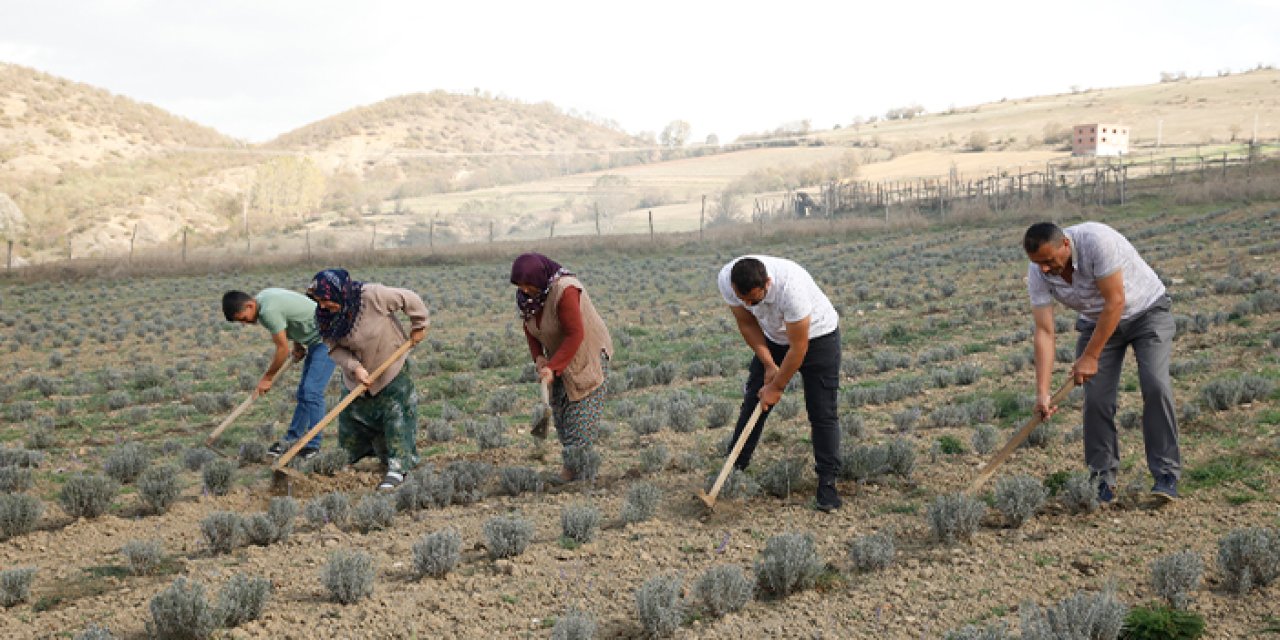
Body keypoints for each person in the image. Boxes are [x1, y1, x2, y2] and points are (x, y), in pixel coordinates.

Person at [1023, 221, 1182, 503]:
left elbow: (1115, 301)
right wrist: (1043, 393)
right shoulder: (1038, 272)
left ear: (1066, 245)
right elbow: (1045, 332)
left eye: (1049, 261)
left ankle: (1166, 475)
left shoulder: (1097, 242)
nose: (1044, 269)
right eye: (1038, 263)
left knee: (1155, 386)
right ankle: (1101, 481)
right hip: (1097, 322)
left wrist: (1091, 356)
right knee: (1096, 399)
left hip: (1146, 313)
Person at [718, 255, 842, 512]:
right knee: (754, 402)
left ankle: (827, 484)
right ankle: (733, 470)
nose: (749, 305)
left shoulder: (790, 289)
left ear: (768, 283)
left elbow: (799, 347)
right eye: (743, 300)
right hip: (774, 339)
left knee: (822, 412)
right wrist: (768, 364)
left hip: (817, 338)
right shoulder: (727, 279)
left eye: (755, 301)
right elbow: (747, 323)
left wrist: (776, 387)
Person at [306, 269, 428, 490]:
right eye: (318, 301)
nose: (322, 306)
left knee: (396, 414)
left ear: (339, 292)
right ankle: (348, 458)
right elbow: (333, 348)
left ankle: (398, 466)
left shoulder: (372, 296)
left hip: (390, 365)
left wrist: (419, 325)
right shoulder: (324, 317)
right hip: (357, 376)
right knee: (351, 417)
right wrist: (355, 368)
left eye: (325, 300)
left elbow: (409, 298)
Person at [511, 253, 614, 481]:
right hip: (560, 355)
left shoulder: (565, 290)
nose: (524, 290)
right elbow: (530, 328)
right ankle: (574, 467)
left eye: (528, 284)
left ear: (539, 278)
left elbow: (576, 334)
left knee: (580, 412)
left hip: (587, 354)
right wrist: (539, 357)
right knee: (561, 413)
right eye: (520, 285)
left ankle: (578, 473)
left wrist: (552, 367)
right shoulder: (528, 299)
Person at [222, 288, 335, 461]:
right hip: (315, 339)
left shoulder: (268, 312)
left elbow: (282, 350)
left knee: (312, 392)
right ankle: (291, 440)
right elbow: (291, 318)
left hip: (328, 339)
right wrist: (298, 344)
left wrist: (267, 378)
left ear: (249, 305)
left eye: (244, 318)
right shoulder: (263, 299)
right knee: (304, 393)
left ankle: (313, 445)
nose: (245, 323)